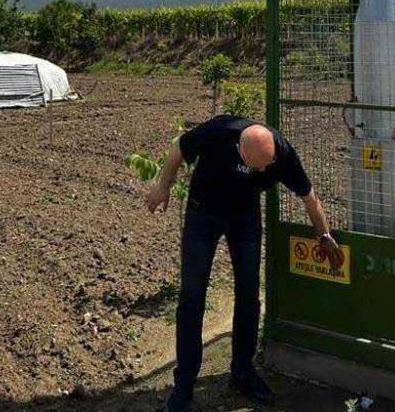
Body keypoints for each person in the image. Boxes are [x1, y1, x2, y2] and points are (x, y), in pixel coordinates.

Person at [145, 114, 341, 411]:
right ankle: (184, 385)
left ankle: (243, 373)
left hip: (244, 218)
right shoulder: (220, 131)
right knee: (191, 298)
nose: (262, 170)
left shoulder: (281, 153)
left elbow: (308, 196)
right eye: (255, 165)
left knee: (249, 294)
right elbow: (179, 147)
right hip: (203, 214)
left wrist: (324, 235)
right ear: (239, 148)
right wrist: (163, 186)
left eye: (266, 165)